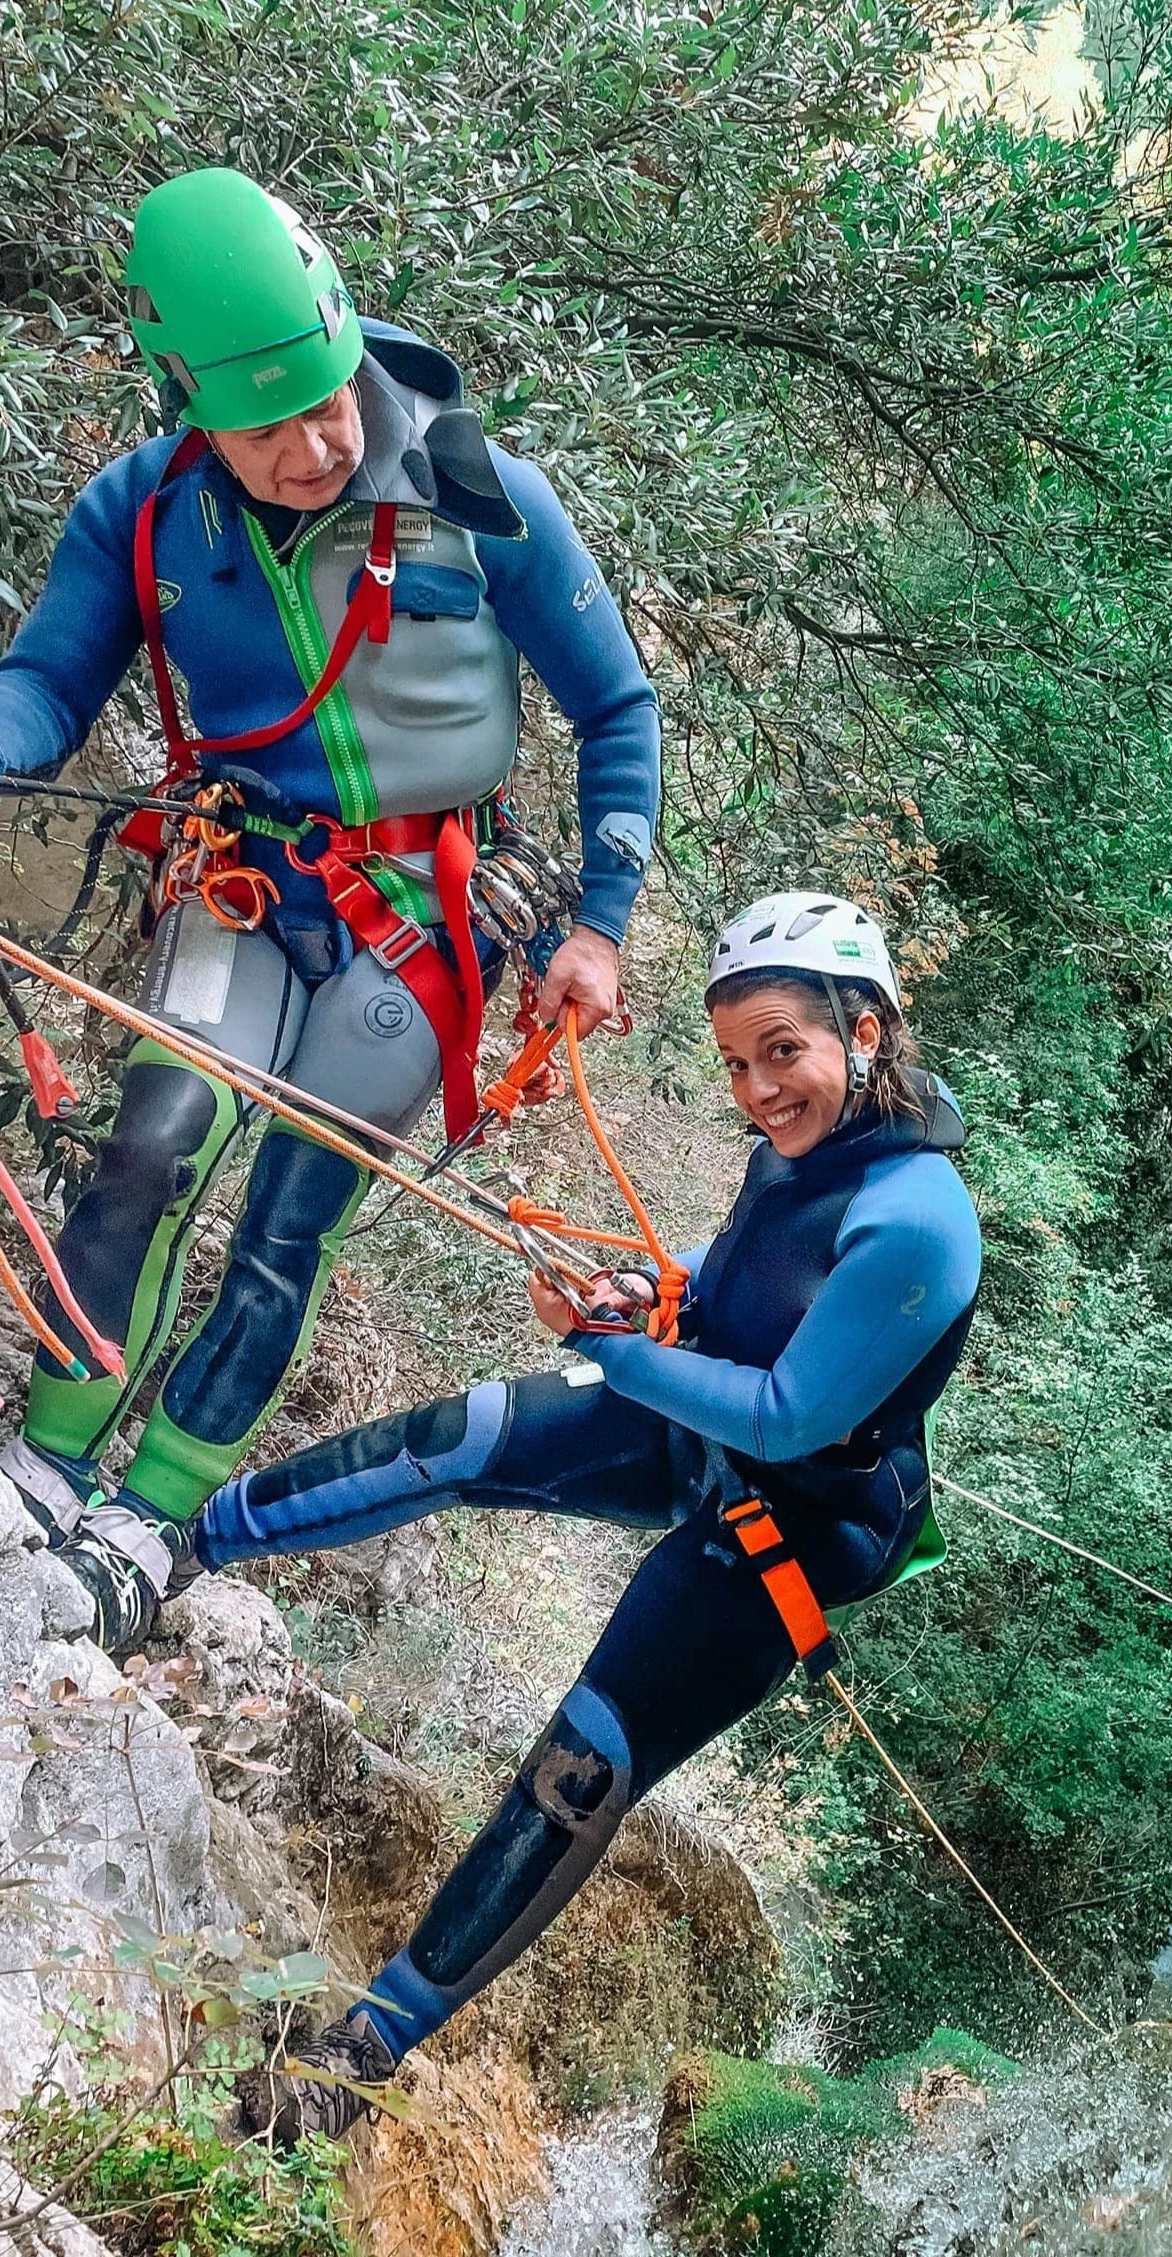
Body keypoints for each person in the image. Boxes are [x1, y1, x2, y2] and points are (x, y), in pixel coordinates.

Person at [0, 168, 658, 1650]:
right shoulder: (147, 511)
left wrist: (598, 918)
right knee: (153, 1148)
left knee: (293, 1217)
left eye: (330, 398)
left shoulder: (471, 481)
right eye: (266, 424)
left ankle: (153, 1515)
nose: (315, 444)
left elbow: (615, 704)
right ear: (189, 403)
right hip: (245, 871)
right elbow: (50, 677)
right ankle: (48, 1455)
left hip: (427, 907)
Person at [194, 894, 983, 2141]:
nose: (757, 1091)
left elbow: (784, 1416)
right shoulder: (800, 1145)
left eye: (783, 1050)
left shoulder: (917, 1221)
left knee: (580, 1768)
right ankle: (173, 1549)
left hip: (787, 1528)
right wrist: (640, 1302)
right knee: (457, 1441)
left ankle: (358, 2062)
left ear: (867, 1030)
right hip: (701, 1418)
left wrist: (615, 1352)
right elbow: (741, 1305)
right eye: (734, 1061)